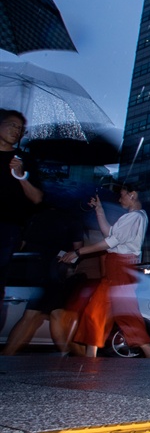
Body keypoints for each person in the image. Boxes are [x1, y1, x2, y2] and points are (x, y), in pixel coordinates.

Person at [59, 183, 150, 358]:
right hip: (117, 268)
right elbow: (110, 235)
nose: (120, 199)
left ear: (132, 195)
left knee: (124, 312)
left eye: (122, 195)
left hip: (121, 268)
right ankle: (91, 354)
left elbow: (109, 242)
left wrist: (78, 252)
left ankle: (149, 352)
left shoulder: (135, 217)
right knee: (96, 311)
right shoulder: (133, 217)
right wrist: (99, 210)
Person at [1, 207, 83, 355]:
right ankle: (6, 355)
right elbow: (77, 249)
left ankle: (71, 357)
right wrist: (72, 267)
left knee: (57, 314)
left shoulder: (35, 217)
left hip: (35, 270)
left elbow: (21, 244)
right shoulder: (71, 219)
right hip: (55, 272)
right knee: (33, 315)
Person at [0, 109, 43, 303]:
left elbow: (37, 198)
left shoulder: (23, 160)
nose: (17, 131)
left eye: (20, 128)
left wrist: (20, 176)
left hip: (7, 229)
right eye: (12, 125)